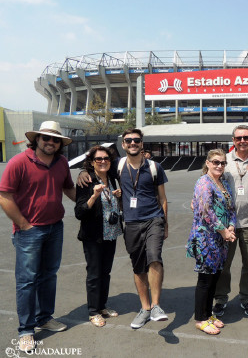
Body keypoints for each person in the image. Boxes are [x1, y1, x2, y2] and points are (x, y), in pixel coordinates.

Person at [77, 128, 169, 329]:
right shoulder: (117, 165)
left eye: (137, 140)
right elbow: (97, 167)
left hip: (153, 219)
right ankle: (144, 308)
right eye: (129, 140)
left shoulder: (154, 167)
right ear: (124, 144)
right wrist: (83, 171)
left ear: (142, 142)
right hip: (130, 223)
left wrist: (165, 224)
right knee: (137, 266)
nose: (133, 143)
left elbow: (162, 198)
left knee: (154, 257)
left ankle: (156, 306)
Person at [0, 121, 76, 353]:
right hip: (29, 232)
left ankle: (44, 317)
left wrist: (90, 203)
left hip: (55, 228)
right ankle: (26, 330)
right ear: (36, 140)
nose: (51, 142)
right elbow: (4, 196)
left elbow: (68, 189)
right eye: (46, 138)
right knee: (27, 281)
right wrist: (24, 225)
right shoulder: (18, 162)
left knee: (49, 276)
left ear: (60, 144)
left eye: (55, 140)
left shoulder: (62, 162)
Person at [213, 125, 248, 317]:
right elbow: (210, 183)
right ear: (233, 140)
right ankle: (220, 298)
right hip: (226, 226)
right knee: (223, 265)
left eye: (246, 137)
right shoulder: (224, 160)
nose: (242, 141)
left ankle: (247, 298)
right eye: (238, 138)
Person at [187, 149, 236, 335]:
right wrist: (223, 230)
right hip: (206, 239)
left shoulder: (222, 182)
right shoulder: (203, 183)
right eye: (215, 162)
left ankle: (208, 315)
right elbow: (205, 212)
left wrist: (231, 226)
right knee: (205, 279)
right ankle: (200, 318)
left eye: (222, 163)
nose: (219, 166)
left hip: (222, 239)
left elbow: (231, 208)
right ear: (207, 163)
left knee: (215, 277)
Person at [74, 146, 122, 327]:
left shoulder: (111, 178)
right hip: (93, 234)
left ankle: (102, 306)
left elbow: (111, 204)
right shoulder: (86, 180)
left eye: (106, 158)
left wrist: (117, 197)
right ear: (92, 162)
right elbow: (79, 212)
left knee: (105, 272)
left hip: (111, 233)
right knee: (94, 273)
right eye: (98, 159)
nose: (103, 161)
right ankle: (93, 311)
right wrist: (94, 196)